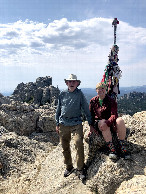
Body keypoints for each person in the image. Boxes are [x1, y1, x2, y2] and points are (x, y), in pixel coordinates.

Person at [55, 74, 92, 181]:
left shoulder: (79, 94)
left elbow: (85, 108)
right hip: (63, 124)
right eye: (69, 81)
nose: (71, 83)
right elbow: (58, 110)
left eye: (73, 81)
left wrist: (90, 123)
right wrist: (57, 123)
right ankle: (69, 167)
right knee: (65, 146)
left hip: (76, 123)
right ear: (66, 83)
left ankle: (80, 169)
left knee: (78, 143)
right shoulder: (62, 94)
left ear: (77, 83)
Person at [89, 82, 130, 160]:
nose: (100, 90)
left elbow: (114, 115)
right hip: (99, 123)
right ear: (96, 90)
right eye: (98, 89)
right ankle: (112, 150)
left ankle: (123, 148)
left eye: (102, 88)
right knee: (102, 121)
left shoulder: (111, 101)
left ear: (106, 90)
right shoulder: (93, 101)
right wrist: (91, 126)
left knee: (120, 120)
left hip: (109, 122)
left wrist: (108, 123)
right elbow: (90, 115)